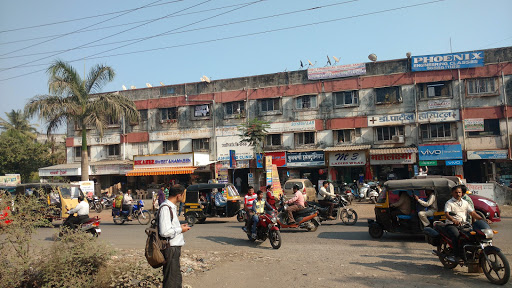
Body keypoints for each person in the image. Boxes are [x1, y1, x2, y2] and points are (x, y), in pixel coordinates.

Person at [444, 185, 490, 262]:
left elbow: (473, 213)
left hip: (463, 224)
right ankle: (455, 256)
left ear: (462, 193)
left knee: (472, 236)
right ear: (452, 193)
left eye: (459, 192)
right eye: (456, 192)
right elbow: (447, 214)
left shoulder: (465, 203)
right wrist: (453, 220)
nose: (458, 194)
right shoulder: (449, 203)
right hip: (451, 225)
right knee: (456, 236)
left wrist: (483, 219)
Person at [159, 184, 191, 288]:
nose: (183, 197)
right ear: (178, 195)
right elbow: (164, 232)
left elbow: (170, 227)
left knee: (176, 278)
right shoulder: (166, 208)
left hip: (174, 247)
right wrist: (180, 229)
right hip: (170, 248)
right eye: (183, 195)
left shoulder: (171, 207)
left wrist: (179, 227)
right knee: (171, 281)